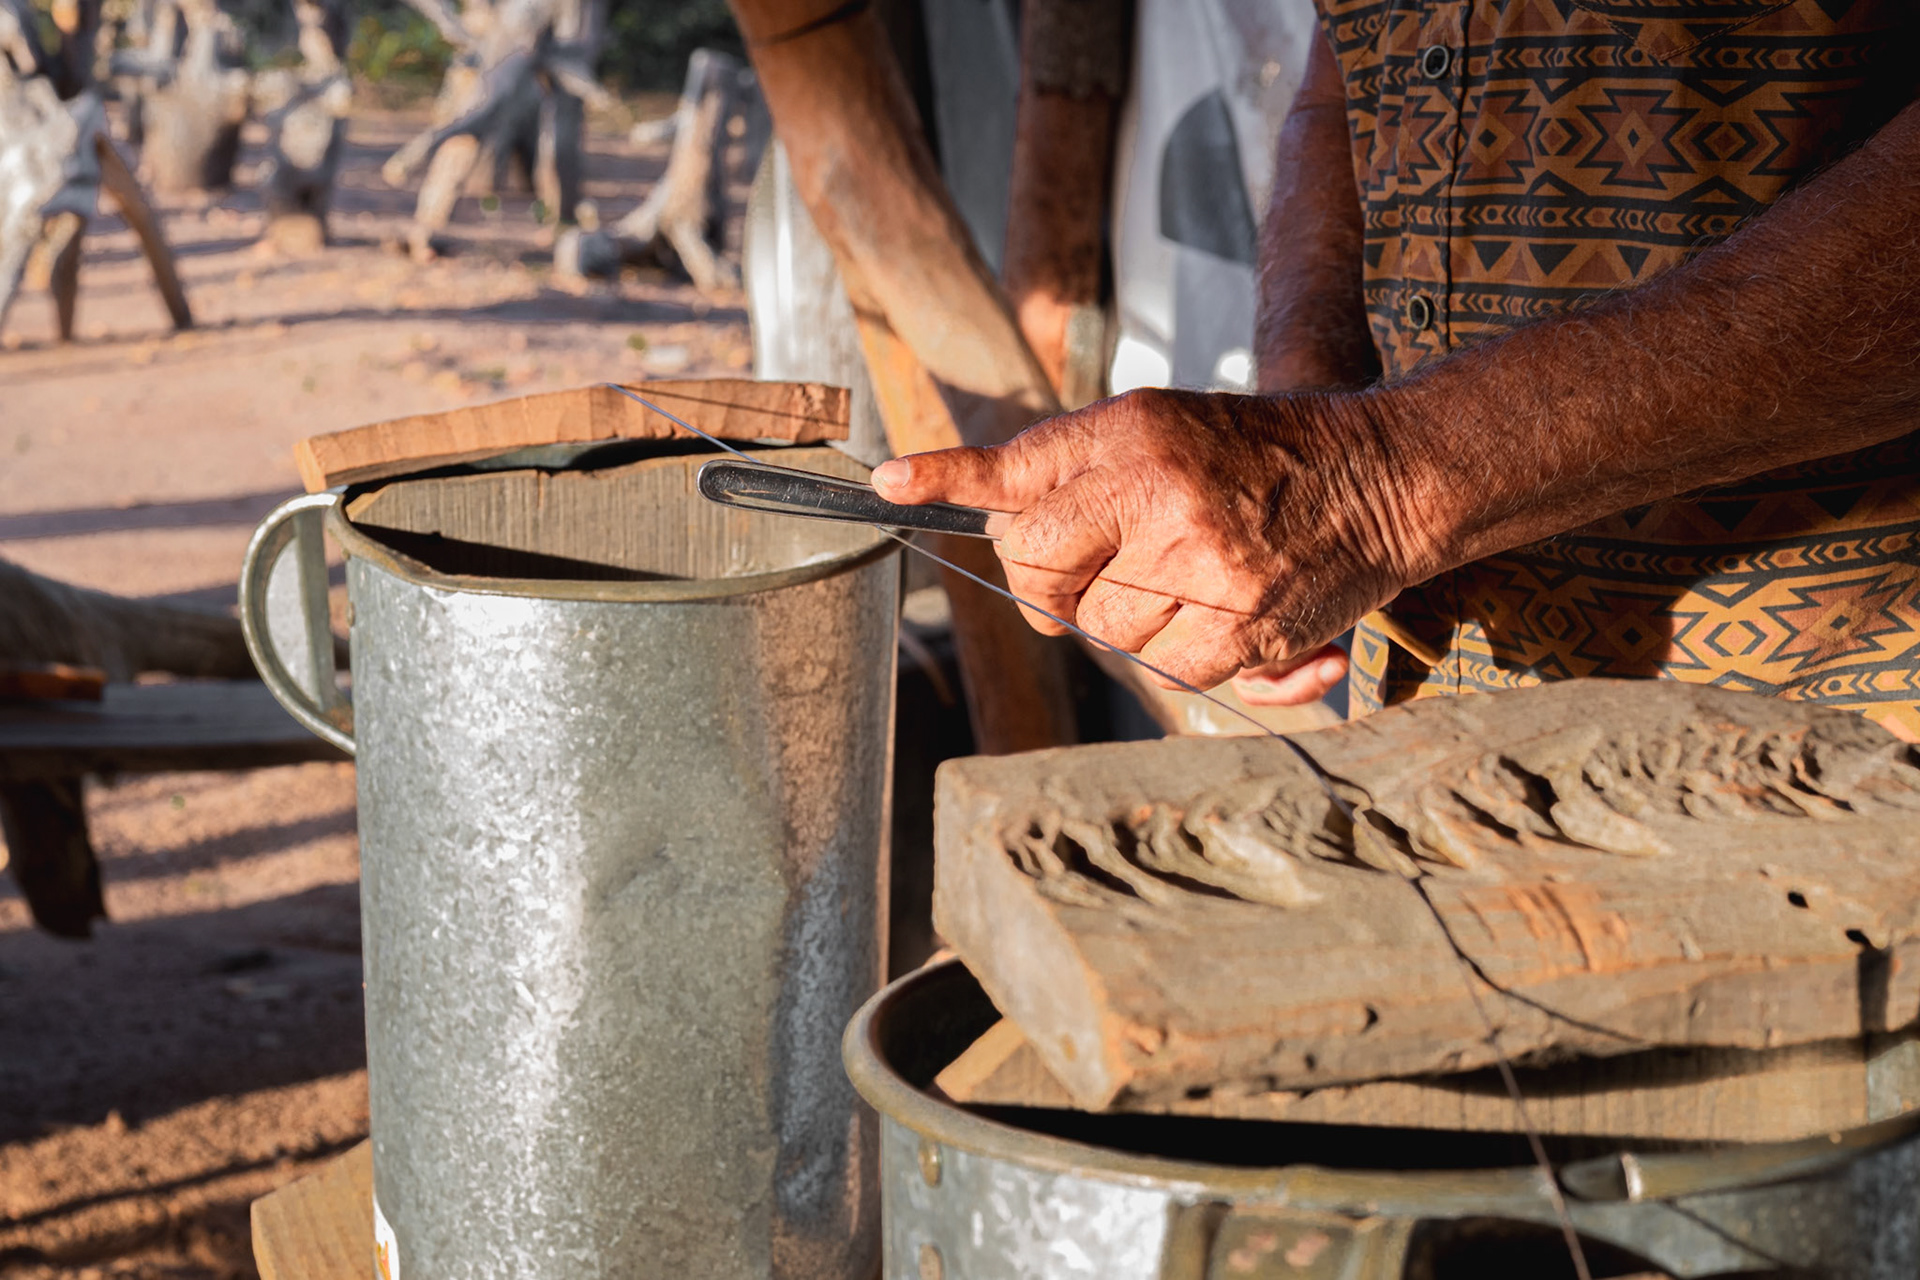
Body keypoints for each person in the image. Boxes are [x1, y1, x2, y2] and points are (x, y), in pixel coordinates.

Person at [873, 2, 1920, 742]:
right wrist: (1300, 404)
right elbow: (1355, 66)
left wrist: (1370, 482)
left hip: (1828, 736)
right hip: (1426, 719)